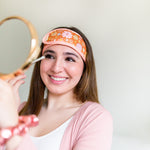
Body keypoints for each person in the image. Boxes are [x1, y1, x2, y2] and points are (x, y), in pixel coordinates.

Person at [0, 27, 113, 150]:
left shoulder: (95, 118)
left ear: (84, 70)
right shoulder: (19, 109)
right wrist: (12, 110)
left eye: (69, 59)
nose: (56, 68)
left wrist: (13, 124)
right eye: (49, 56)